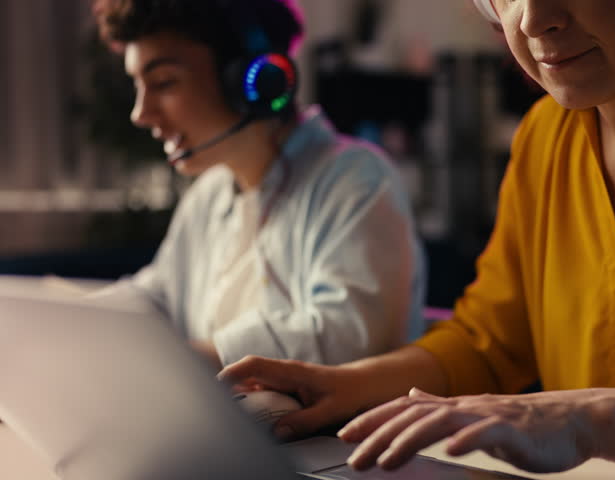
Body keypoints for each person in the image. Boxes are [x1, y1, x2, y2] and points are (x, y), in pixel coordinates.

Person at [220, 0, 615, 478]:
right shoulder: (546, 137)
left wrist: (589, 419)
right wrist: (347, 385)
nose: (533, 19)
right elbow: (491, 342)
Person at [90, 0, 426, 369]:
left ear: (254, 79)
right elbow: (158, 295)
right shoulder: (210, 194)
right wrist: (77, 324)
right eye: (138, 85)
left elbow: (349, 336)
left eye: (163, 82)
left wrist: (181, 362)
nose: (141, 113)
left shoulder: (356, 180)